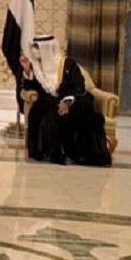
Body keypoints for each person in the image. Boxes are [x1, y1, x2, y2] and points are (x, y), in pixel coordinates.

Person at [20, 35, 111, 166]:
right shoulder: (35, 68)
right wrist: (27, 70)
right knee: (50, 112)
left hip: (73, 99)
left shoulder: (69, 63)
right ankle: (57, 152)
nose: (34, 51)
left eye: (37, 47)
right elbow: (29, 88)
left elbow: (78, 85)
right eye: (33, 47)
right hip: (51, 102)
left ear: (47, 49)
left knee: (84, 106)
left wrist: (67, 101)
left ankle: (84, 153)